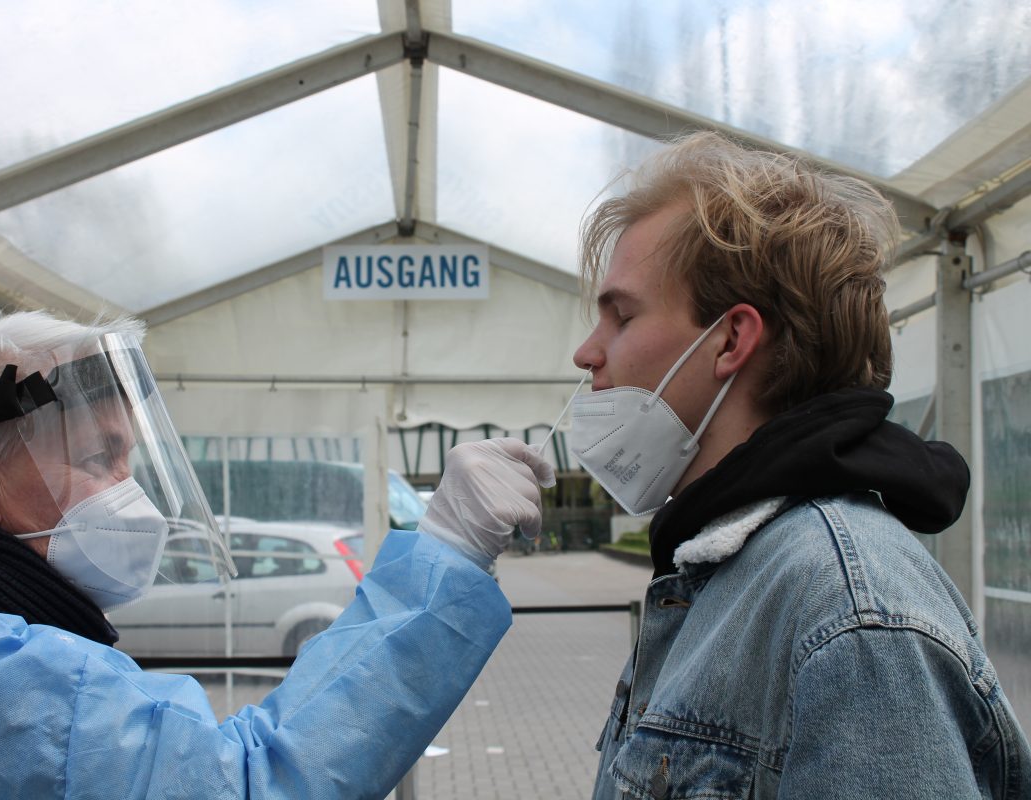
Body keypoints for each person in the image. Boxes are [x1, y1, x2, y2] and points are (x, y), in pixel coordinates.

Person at [418, 132, 1031, 798]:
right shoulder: (730, 567)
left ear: (732, 340)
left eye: (620, 316)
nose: (587, 354)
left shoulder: (849, 614)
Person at [0, 300, 555, 799]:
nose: (128, 493)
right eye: (97, 458)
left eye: (129, 463)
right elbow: (252, 784)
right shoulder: (18, 680)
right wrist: (447, 555)